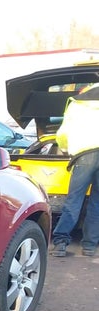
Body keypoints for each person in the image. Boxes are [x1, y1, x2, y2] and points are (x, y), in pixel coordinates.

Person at [50, 84, 99, 257]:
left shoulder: (77, 105)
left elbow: (63, 134)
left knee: (74, 200)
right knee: (97, 203)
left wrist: (65, 148)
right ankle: (89, 246)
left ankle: (60, 243)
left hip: (84, 155)